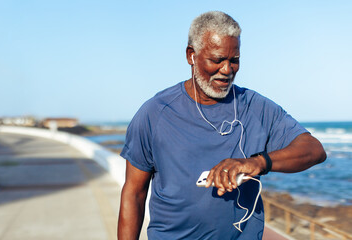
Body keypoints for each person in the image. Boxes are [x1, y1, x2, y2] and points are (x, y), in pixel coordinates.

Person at [118, 11, 326, 240]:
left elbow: (314, 149)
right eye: (217, 60)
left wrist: (258, 162)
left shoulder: (256, 107)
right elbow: (134, 192)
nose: (227, 70)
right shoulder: (155, 113)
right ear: (191, 56)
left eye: (234, 60)